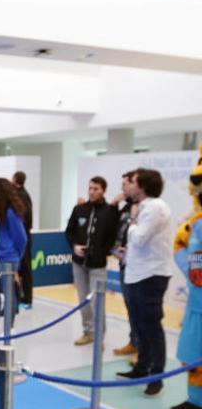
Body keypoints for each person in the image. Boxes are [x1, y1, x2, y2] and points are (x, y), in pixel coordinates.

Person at [116, 168, 174, 397]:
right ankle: (142, 368)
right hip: (138, 273)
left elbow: (140, 238)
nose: (127, 186)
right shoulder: (145, 207)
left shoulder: (155, 207)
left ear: (143, 186)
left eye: (133, 183)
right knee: (139, 325)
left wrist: (131, 222)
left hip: (151, 275)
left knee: (151, 327)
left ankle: (156, 376)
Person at [64, 176, 119, 346]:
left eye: (96, 189)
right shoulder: (79, 209)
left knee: (97, 301)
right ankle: (87, 331)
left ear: (103, 190)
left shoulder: (110, 212)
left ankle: (98, 336)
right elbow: (69, 231)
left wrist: (102, 252)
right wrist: (74, 246)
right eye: (90, 188)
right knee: (83, 299)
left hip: (98, 264)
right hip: (79, 263)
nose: (92, 192)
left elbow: (113, 237)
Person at [170, 148, 202, 409]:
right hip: (196, 302)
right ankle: (196, 398)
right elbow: (187, 256)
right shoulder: (195, 225)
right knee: (192, 352)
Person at [0, 178, 27, 334]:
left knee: (9, 293)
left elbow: (21, 238)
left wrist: (17, 257)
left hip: (8, 259)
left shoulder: (11, 212)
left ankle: (10, 326)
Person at [110, 172, 138, 358]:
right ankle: (134, 342)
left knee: (139, 308)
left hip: (138, 267)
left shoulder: (145, 208)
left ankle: (143, 349)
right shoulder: (125, 208)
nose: (122, 188)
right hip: (123, 264)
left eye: (125, 184)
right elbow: (114, 228)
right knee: (130, 306)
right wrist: (113, 206)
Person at [12, 171, 34, 307]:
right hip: (23, 235)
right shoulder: (22, 195)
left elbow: (27, 219)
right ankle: (21, 297)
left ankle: (27, 298)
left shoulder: (21, 196)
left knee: (25, 268)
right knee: (21, 269)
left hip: (23, 236)